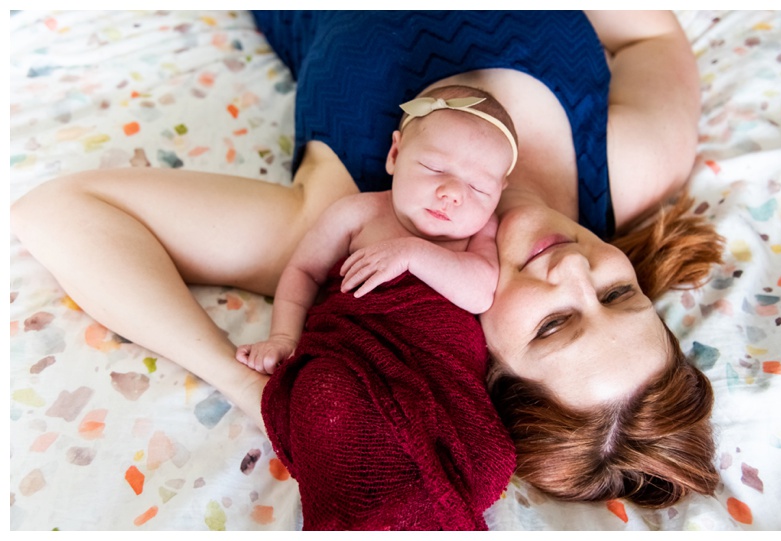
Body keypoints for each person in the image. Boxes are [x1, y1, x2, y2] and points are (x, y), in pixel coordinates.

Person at [10, 10, 723, 520]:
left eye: (555, 323)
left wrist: (251, 384)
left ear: (483, 362)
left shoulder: (353, 230)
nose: (573, 270)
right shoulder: (630, 165)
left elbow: (58, 209)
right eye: (618, 292)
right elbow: (649, 31)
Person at [236, 85, 516, 375]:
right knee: (324, 389)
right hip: (352, 353)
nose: (452, 193)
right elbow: (304, 271)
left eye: (478, 187)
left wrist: (413, 255)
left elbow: (481, 294)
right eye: (434, 168)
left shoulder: (480, 233)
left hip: (434, 370)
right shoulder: (358, 214)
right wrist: (283, 337)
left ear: (498, 192)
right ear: (395, 154)